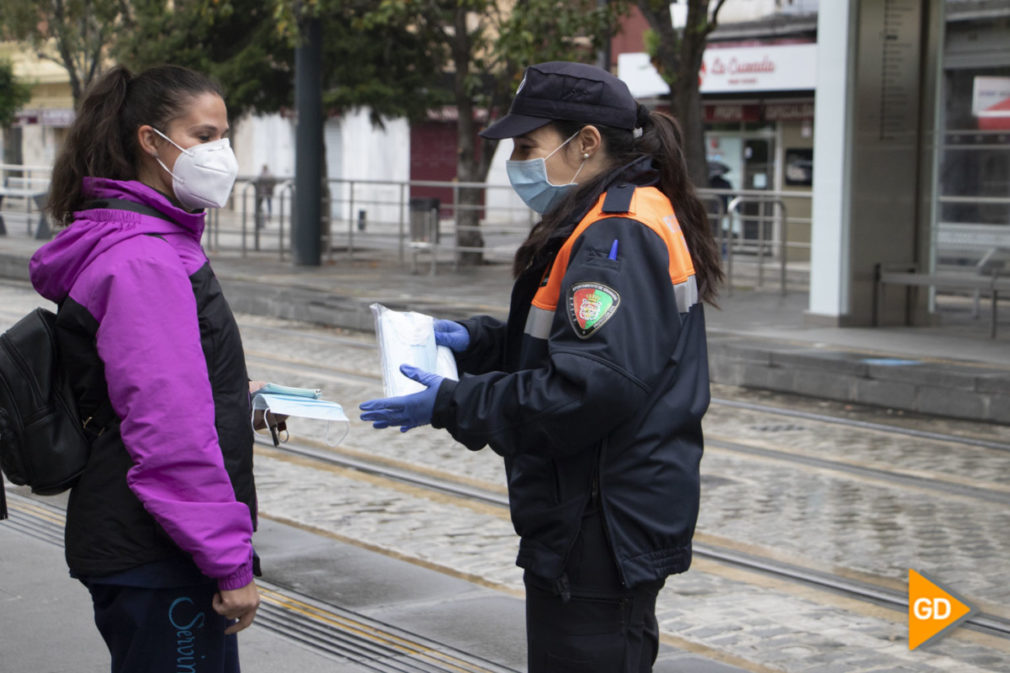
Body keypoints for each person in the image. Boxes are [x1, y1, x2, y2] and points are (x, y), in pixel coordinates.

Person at [360, 61, 724, 672]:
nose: (516, 165)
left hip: (598, 522)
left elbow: (590, 386)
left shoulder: (616, 234)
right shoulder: (613, 214)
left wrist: (454, 402)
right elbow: (574, 342)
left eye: (528, 147)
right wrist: (475, 342)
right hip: (597, 511)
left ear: (586, 143)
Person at [32, 65, 259, 673]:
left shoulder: (142, 240)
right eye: (204, 135)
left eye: (224, 135)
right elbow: (167, 427)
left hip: (142, 539)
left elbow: (149, 384)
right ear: (150, 141)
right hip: (158, 549)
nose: (221, 153)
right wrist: (228, 562)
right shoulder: (144, 260)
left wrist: (232, 394)